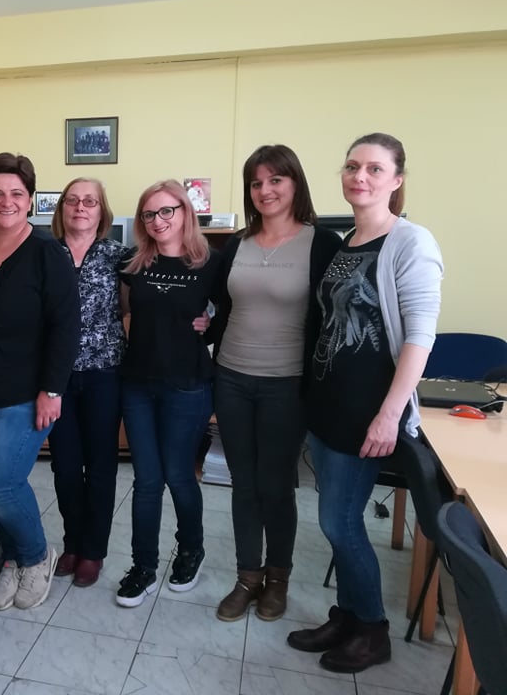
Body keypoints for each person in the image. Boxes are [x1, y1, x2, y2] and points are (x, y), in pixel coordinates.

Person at [287, 133, 443, 673]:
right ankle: (348, 616)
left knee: (340, 523)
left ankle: (373, 630)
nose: (360, 176)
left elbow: (420, 337)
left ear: (396, 180)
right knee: (337, 519)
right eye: (353, 166)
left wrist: (389, 414)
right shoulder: (346, 241)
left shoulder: (410, 242)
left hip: (367, 414)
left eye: (375, 169)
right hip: (328, 408)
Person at [208, 145, 341, 622]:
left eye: (275, 180)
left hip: (287, 385)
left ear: (295, 183)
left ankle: (278, 579)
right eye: (256, 183)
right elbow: (220, 306)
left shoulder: (322, 244)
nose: (265, 190)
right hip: (231, 378)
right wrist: (201, 325)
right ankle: (248, 577)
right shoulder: (236, 244)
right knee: (243, 483)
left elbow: (335, 318)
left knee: (277, 485)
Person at [0, 152, 80, 611]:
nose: (6, 201)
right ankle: (11, 557)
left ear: (30, 200)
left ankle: (35, 555)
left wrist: (53, 389)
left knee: (0, 482)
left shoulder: (48, 253)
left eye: (16, 193)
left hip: (24, 394)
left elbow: (66, 326)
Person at [115, 180, 221, 608]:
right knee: (146, 481)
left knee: (178, 475)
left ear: (184, 212)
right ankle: (143, 566)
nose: (157, 221)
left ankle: (191, 550)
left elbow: (231, 312)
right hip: (138, 384)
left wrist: (209, 325)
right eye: (148, 214)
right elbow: (124, 311)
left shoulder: (211, 262)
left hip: (188, 385)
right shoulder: (133, 262)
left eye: (166, 211)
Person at [46, 178, 125, 588]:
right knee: (63, 466)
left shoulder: (120, 256)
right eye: (73, 200)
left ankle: (93, 551)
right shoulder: (46, 253)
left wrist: (200, 318)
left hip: (104, 374)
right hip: (55, 377)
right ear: (62, 209)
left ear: (101, 211)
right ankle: (72, 543)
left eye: (90, 201)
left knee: (100, 467)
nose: (80, 207)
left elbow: (148, 300)